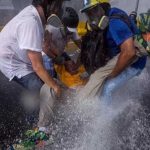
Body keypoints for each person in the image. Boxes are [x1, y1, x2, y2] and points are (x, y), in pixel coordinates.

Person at [0, 0, 64, 135]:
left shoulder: (37, 18)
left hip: (23, 60)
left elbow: (45, 52)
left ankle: (42, 124)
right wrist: (55, 86)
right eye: (58, 5)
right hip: (14, 64)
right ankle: (35, 131)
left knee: (47, 86)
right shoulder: (30, 22)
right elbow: (37, 66)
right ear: (47, 4)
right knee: (40, 90)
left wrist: (48, 46)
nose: (59, 10)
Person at [80, 0, 147, 104]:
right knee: (98, 77)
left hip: (134, 64)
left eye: (94, 11)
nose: (91, 16)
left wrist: (112, 74)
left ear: (101, 7)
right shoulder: (108, 16)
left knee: (106, 89)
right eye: (88, 13)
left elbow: (129, 53)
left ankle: (105, 118)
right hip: (118, 56)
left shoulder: (114, 23)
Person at [43, 7, 81, 76]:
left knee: (73, 59)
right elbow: (45, 48)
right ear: (61, 25)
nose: (70, 33)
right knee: (51, 72)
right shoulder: (51, 28)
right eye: (68, 31)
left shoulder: (72, 29)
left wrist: (77, 63)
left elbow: (80, 45)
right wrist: (58, 60)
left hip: (60, 50)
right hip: (47, 53)